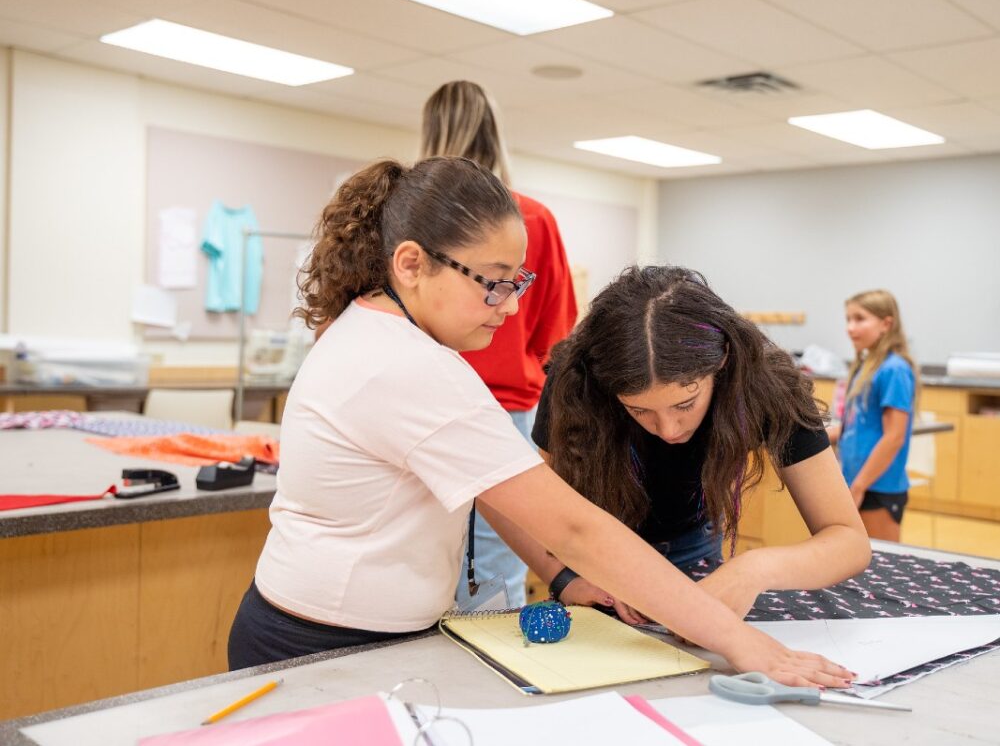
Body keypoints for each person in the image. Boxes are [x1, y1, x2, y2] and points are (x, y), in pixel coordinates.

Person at [227, 156, 855, 689]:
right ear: (412, 264)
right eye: (495, 283)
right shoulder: (412, 367)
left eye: (518, 280)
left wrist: (564, 579)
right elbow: (574, 526)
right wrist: (741, 645)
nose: (514, 305)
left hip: (311, 625)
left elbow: (495, 480)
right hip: (322, 644)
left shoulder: (371, 333)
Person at [504, 266, 871, 624]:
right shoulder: (576, 380)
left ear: (722, 361)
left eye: (685, 404)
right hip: (592, 557)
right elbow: (531, 509)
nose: (667, 429)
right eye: (638, 410)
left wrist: (753, 569)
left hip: (693, 547)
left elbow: (849, 541)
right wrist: (564, 579)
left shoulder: (769, 386)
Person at [421, 80, 578, 607]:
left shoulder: (413, 224)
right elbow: (557, 332)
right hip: (507, 412)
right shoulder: (532, 219)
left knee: (419, 560)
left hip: (426, 409)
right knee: (497, 575)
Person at [828, 290, 917, 542]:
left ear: (886, 324)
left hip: (877, 487)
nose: (850, 327)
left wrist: (858, 487)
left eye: (859, 319)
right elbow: (856, 426)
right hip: (857, 481)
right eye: (848, 319)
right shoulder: (866, 367)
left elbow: (894, 437)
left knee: (883, 569)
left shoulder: (895, 370)